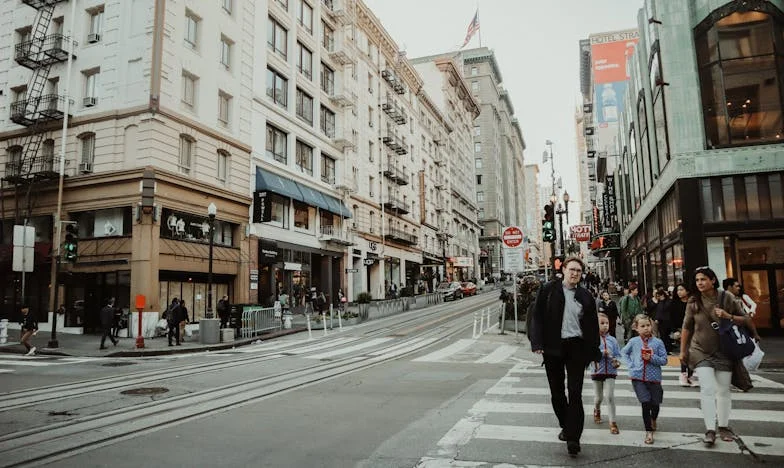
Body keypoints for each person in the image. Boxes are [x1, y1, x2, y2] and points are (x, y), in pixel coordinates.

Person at [529, 256, 600, 457]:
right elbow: (537, 317)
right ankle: (566, 426)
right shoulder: (549, 290)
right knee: (557, 393)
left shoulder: (586, 296)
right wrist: (537, 343)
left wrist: (594, 351)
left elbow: (593, 326)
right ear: (564, 270)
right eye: (572, 269)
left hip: (576, 347)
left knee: (575, 392)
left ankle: (573, 438)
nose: (575, 273)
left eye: (579, 270)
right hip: (553, 348)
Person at [680, 266, 748, 446]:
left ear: (713, 281)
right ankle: (710, 429)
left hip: (724, 350)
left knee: (723, 390)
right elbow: (686, 327)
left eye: (703, 279)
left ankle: (723, 426)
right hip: (700, 349)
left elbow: (745, 319)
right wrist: (683, 351)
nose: (700, 283)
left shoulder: (727, 297)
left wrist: (727, 316)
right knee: (707, 388)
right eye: (697, 280)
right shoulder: (693, 301)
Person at [622, 314, 668, 445]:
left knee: (655, 403)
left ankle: (653, 418)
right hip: (638, 378)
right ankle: (648, 431)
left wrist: (652, 358)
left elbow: (664, 360)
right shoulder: (633, 342)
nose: (646, 328)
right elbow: (624, 353)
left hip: (654, 379)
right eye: (642, 326)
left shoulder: (658, 342)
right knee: (645, 402)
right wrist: (631, 365)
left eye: (648, 325)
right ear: (636, 328)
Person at [591, 312, 622, 435]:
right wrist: (601, 353)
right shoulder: (592, 339)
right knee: (599, 397)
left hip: (611, 371)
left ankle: (612, 423)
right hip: (597, 370)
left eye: (607, 323)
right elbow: (589, 354)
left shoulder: (613, 340)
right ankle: (596, 409)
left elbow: (619, 354)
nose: (605, 326)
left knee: (609, 396)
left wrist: (617, 361)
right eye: (602, 323)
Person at [668, 283, 695, 387]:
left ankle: (691, 375)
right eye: (678, 290)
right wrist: (675, 330)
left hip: (694, 330)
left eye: (681, 289)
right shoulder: (674, 303)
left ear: (687, 291)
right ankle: (683, 374)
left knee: (692, 353)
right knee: (684, 352)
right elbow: (671, 319)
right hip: (681, 330)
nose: (679, 292)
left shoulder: (692, 302)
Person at [722, 278, 761, 343]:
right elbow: (746, 318)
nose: (739, 288)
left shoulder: (739, 297)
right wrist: (755, 334)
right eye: (736, 286)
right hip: (737, 331)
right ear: (729, 287)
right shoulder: (732, 299)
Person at [652, 289, 672, 353]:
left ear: (662, 295)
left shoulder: (667, 302)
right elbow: (658, 311)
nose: (658, 298)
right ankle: (666, 349)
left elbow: (661, 311)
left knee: (666, 336)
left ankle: (668, 348)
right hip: (662, 321)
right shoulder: (661, 302)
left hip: (666, 321)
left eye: (659, 296)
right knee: (663, 336)